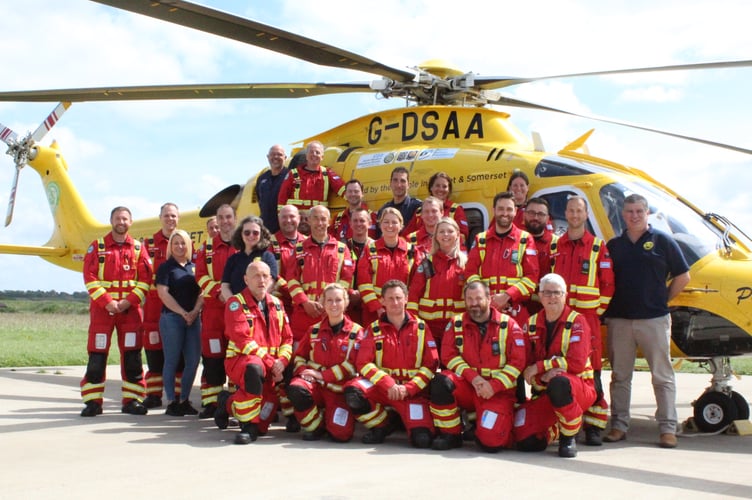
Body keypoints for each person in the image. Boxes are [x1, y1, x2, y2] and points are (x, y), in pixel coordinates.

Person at [603, 193, 690, 449]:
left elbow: (683, 276)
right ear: (623, 214)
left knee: (662, 376)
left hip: (654, 319)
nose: (634, 215)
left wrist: (663, 300)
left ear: (647, 212)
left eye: (639, 211)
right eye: (630, 211)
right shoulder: (614, 246)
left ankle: (667, 428)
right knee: (620, 376)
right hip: (620, 320)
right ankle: (619, 425)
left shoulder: (662, 241)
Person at [429, 280, 526, 452]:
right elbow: (448, 355)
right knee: (440, 382)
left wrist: (493, 386)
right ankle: (451, 434)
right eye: (470, 299)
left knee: (491, 444)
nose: (474, 303)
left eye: (479, 298)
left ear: (489, 299)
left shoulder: (509, 325)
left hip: (498, 393)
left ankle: (489, 425)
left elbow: (517, 363)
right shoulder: (455, 323)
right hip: (469, 386)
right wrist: (474, 378)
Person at [550, 195, 614, 445]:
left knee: (592, 372)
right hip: (560, 320)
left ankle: (595, 425)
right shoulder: (557, 246)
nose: (575, 215)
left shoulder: (598, 247)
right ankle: (566, 422)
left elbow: (608, 285)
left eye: (579, 211)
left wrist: (595, 313)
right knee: (562, 371)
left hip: (587, 323)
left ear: (586, 215)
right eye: (571, 211)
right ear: (565, 214)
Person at [344, 280, 439, 448]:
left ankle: (401, 419)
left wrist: (408, 388)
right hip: (383, 390)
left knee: (422, 440)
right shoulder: (373, 329)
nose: (395, 302)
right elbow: (363, 363)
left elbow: (431, 364)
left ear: (406, 299)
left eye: (398, 297)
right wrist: (389, 384)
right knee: (354, 391)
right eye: (390, 298)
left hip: (411, 394)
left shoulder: (422, 328)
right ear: (382, 301)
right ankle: (382, 425)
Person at [514, 273, 596, 458]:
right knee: (524, 439)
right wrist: (541, 375)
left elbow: (576, 363)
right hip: (545, 390)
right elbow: (525, 365)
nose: (551, 297)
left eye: (556, 293)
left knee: (559, 383)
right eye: (547, 293)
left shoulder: (578, 321)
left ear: (565, 295)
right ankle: (557, 429)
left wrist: (540, 367)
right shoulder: (531, 324)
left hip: (578, 389)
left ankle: (569, 437)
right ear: (540, 296)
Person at [80, 206, 151, 417]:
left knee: (132, 358)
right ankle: (93, 402)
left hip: (130, 313)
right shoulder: (98, 247)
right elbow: (89, 278)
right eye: (118, 218)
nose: (121, 222)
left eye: (125, 219)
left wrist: (128, 302)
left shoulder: (139, 249)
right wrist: (108, 302)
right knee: (97, 358)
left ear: (131, 222)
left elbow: (145, 280)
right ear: (111, 220)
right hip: (103, 313)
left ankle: (133, 400)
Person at [214, 261, 294, 444]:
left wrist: (282, 361)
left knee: (264, 425)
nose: (262, 280)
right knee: (254, 368)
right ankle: (248, 426)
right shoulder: (236, 303)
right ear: (246, 280)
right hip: (242, 362)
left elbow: (287, 339)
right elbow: (243, 340)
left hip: (271, 366)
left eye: (265, 276)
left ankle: (227, 403)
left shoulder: (277, 304)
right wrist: (272, 363)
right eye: (256, 276)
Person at [286, 283, 365, 441]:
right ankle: (316, 426)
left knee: (340, 435)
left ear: (346, 303)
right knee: (296, 388)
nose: (334, 304)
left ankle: (331, 420)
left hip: (338, 390)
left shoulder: (357, 332)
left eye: (338, 300)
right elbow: (300, 356)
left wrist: (322, 375)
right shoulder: (313, 330)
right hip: (315, 385)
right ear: (322, 303)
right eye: (329, 300)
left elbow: (353, 365)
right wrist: (303, 372)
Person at [466, 191, 539, 328]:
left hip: (515, 311)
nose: (504, 213)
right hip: (485, 311)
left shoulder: (525, 239)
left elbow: (532, 278)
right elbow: (470, 273)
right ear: (494, 210)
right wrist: (485, 298)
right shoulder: (481, 239)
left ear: (516, 211)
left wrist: (507, 296)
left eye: (509, 209)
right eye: (500, 209)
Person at [285, 205, 356, 342]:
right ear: (309, 220)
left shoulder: (341, 249)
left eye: (323, 219)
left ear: (329, 222)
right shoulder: (299, 249)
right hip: (304, 313)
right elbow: (291, 279)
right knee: (300, 355)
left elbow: (346, 278)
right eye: (315, 219)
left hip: (331, 312)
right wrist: (305, 302)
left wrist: (329, 302)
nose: (319, 223)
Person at [195, 204, 238, 418]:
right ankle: (211, 403)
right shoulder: (206, 249)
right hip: (213, 314)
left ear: (235, 219)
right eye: (221, 218)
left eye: (228, 217)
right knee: (212, 358)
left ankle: (234, 403)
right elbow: (200, 275)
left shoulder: (243, 246)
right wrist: (219, 291)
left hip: (237, 313)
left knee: (236, 358)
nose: (225, 221)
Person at [156, 229, 203, 416]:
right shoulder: (166, 268)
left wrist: (194, 311)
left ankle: (184, 399)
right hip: (172, 318)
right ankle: (171, 401)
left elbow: (202, 291)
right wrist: (182, 312)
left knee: (192, 360)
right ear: (170, 246)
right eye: (175, 243)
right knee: (172, 360)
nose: (180, 246)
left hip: (193, 319)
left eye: (183, 243)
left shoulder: (195, 266)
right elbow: (163, 293)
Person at [408, 217, 467, 352]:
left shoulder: (465, 263)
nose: (445, 235)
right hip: (429, 327)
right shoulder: (426, 262)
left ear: (457, 235)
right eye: (441, 232)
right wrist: (413, 322)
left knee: (452, 364)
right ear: (436, 236)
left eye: (450, 231)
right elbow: (414, 294)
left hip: (455, 326)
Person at [142, 202, 180, 409]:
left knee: (178, 352)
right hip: (154, 308)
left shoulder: (183, 244)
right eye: (167, 215)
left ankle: (177, 395)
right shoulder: (149, 245)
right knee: (154, 351)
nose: (170, 219)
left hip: (176, 305)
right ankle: (154, 394)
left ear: (178, 219)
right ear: (160, 218)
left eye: (173, 216)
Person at [357, 207, 422, 327]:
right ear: (380, 225)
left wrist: (410, 310)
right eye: (386, 222)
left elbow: (416, 283)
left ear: (401, 225)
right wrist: (376, 307)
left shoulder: (412, 250)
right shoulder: (370, 250)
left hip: (402, 309)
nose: (390, 226)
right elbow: (363, 282)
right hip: (374, 312)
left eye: (394, 222)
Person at [277, 140, 346, 216]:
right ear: (306, 155)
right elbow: (282, 196)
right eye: (311, 152)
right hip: (299, 220)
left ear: (322, 157)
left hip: (317, 219)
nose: (314, 154)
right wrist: (282, 216)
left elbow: (341, 189)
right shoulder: (293, 174)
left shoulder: (327, 173)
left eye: (317, 152)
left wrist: (356, 201)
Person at [221, 215, 278, 296]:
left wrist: (255, 301)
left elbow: (271, 282)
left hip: (260, 306)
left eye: (255, 233)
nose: (251, 235)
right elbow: (225, 286)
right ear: (241, 234)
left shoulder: (268, 257)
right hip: (237, 306)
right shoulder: (233, 259)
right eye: (247, 233)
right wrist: (233, 303)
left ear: (261, 235)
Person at [405, 172, 469, 243]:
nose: (441, 189)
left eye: (444, 186)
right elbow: (406, 236)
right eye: (437, 186)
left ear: (449, 190)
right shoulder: (419, 211)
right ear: (431, 188)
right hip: (421, 251)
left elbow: (463, 237)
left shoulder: (456, 209)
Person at [522, 197, 557, 316]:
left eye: (541, 214)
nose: (535, 217)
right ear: (524, 215)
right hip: (518, 309)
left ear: (547, 219)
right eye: (531, 213)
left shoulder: (557, 244)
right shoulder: (513, 242)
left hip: (547, 311)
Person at [270, 205, 304, 319]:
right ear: (279, 219)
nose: (288, 220)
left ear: (299, 218)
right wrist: (294, 293)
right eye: (284, 217)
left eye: (292, 216)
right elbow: (271, 274)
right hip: (280, 303)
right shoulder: (269, 244)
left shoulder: (307, 242)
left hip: (304, 304)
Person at [343, 207, 373, 325]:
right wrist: (350, 292)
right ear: (350, 223)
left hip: (370, 305)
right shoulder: (342, 247)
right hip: (347, 304)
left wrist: (364, 294)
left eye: (362, 220)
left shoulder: (377, 247)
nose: (358, 224)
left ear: (369, 223)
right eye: (355, 221)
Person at [376, 166, 422, 236]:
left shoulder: (418, 207)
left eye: (403, 181)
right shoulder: (383, 210)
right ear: (390, 184)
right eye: (395, 180)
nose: (399, 185)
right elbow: (379, 237)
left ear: (409, 185)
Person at [254, 144, 288, 234]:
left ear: (285, 157)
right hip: (265, 230)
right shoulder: (262, 178)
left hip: (284, 229)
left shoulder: (290, 176)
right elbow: (260, 199)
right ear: (268, 157)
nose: (276, 157)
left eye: (279, 154)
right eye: (273, 154)